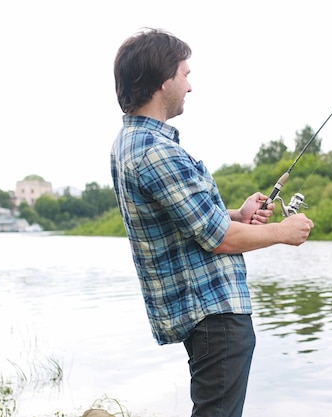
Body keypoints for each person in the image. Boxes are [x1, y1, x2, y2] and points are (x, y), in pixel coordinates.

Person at [111, 28, 314, 417]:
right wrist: (282, 233)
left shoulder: (131, 144)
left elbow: (192, 221)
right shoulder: (156, 151)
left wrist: (237, 216)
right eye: (185, 74)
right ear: (161, 80)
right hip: (213, 314)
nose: (190, 86)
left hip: (205, 314)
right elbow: (218, 239)